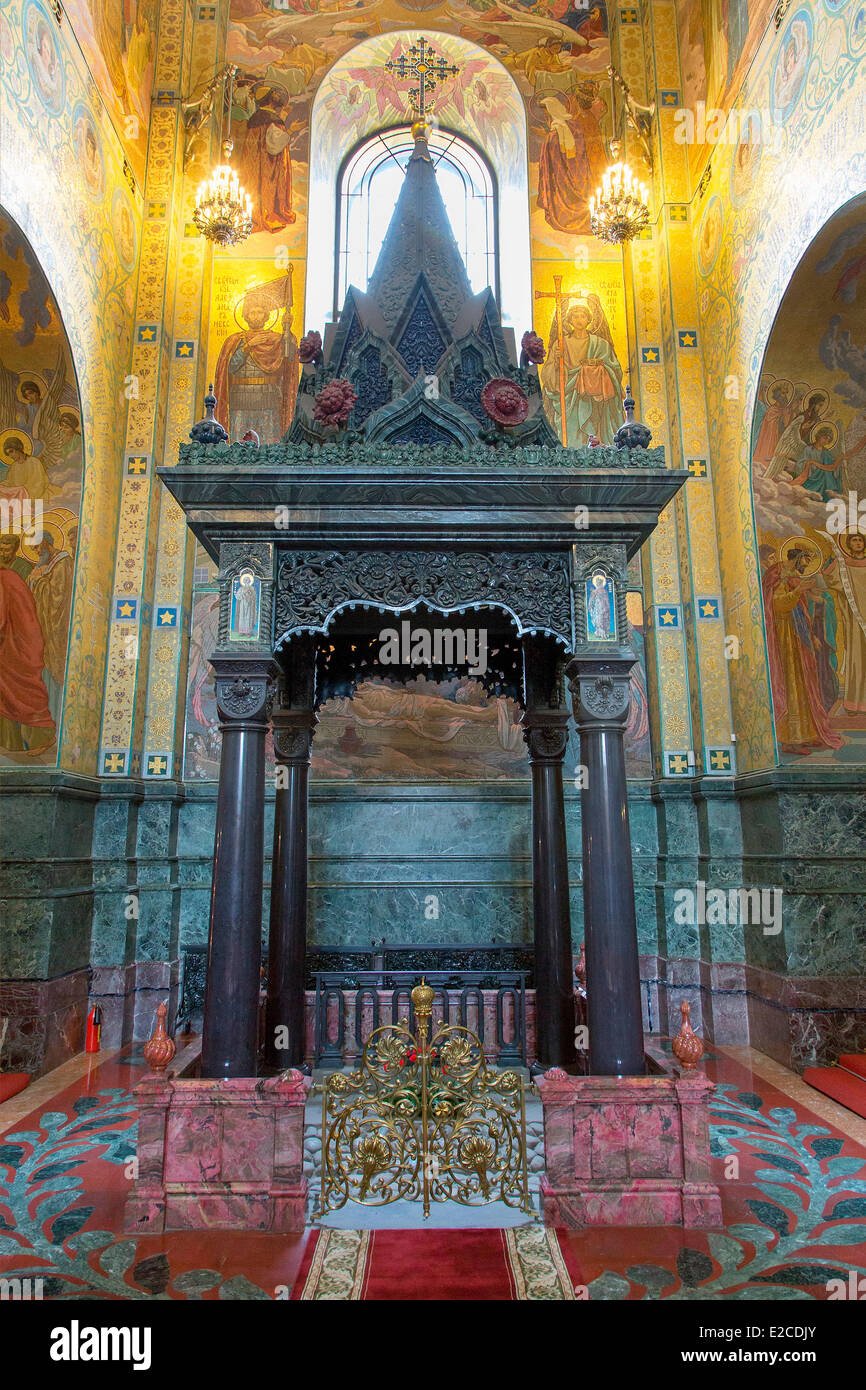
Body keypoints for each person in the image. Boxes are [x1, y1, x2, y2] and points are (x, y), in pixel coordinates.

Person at [540, 296, 623, 446]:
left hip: (592, 398)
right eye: (575, 316)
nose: (579, 319)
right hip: (568, 397)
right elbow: (548, 375)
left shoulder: (600, 344)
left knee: (592, 430)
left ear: (589, 319)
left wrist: (595, 371)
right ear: (569, 320)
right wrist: (557, 364)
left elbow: (615, 370)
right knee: (571, 435)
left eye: (583, 316)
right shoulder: (560, 344)